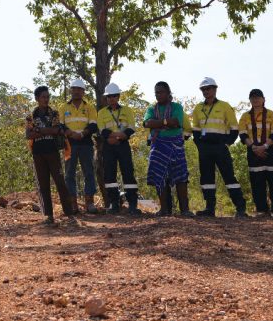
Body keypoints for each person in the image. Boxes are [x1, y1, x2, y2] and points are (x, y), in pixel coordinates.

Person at [189, 78, 247, 218]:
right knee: (207, 179)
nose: (206, 91)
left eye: (208, 88)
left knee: (229, 177)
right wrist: (200, 147)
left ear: (215, 89)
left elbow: (234, 129)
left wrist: (226, 144)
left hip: (221, 147)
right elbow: (195, 131)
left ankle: (240, 208)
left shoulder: (225, 106)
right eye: (203, 89)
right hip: (205, 149)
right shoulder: (198, 108)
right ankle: (209, 208)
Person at [26, 86, 76, 226]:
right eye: (43, 97)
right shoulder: (31, 116)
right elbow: (29, 135)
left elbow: (56, 130)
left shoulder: (53, 113)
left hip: (52, 151)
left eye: (47, 97)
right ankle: (48, 216)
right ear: (36, 98)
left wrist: (39, 130)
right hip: (38, 153)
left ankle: (69, 214)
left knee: (60, 182)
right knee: (43, 185)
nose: (46, 99)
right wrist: (46, 131)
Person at [143, 81, 192, 217]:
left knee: (181, 177)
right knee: (159, 175)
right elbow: (147, 123)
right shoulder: (151, 109)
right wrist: (166, 122)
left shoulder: (177, 107)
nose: (158, 95)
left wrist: (158, 123)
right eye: (156, 92)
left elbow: (176, 122)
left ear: (168, 93)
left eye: (161, 92)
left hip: (175, 145)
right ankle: (164, 209)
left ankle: (185, 210)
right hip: (158, 145)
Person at [238, 89, 273, 217]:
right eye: (252, 98)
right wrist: (253, 148)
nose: (255, 100)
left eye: (258, 97)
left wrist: (264, 147)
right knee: (257, 182)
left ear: (264, 99)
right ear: (250, 100)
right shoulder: (245, 116)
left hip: (270, 151)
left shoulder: (271, 114)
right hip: (253, 152)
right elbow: (242, 134)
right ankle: (261, 210)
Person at [97, 83, 141, 215]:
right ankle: (114, 204)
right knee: (109, 175)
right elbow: (101, 130)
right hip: (108, 146)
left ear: (118, 96)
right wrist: (117, 136)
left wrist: (119, 137)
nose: (111, 98)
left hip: (123, 146)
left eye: (114, 96)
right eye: (109, 96)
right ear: (106, 98)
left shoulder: (127, 110)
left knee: (128, 173)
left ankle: (132, 204)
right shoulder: (102, 112)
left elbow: (131, 128)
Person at [60, 79, 100, 214]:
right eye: (74, 89)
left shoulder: (89, 107)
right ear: (71, 90)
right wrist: (70, 133)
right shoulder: (63, 108)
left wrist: (82, 134)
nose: (76, 91)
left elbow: (94, 125)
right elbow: (60, 126)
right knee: (69, 174)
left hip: (85, 143)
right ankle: (73, 204)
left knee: (88, 172)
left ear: (83, 92)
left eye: (79, 89)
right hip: (69, 145)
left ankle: (90, 202)